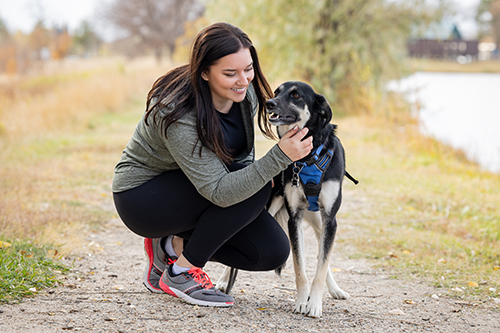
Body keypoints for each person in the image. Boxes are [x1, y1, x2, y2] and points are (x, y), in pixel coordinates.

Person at [112, 22, 313, 307]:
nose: (243, 80)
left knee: (271, 251)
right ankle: (181, 272)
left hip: (197, 188)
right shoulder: (177, 111)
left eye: (248, 68)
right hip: (143, 198)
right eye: (230, 73)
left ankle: (169, 247)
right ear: (204, 72)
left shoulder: (245, 95)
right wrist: (280, 156)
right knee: (255, 185)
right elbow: (221, 191)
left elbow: (242, 161)